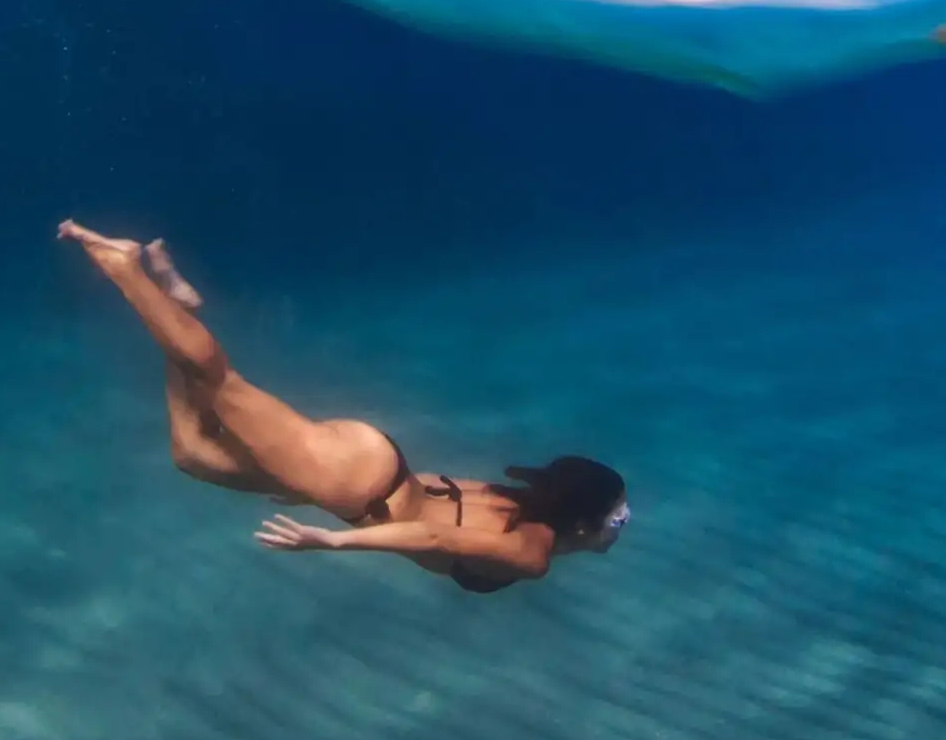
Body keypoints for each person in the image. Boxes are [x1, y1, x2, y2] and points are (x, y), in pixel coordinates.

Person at [57, 220, 628, 593]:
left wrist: (311, 484)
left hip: (369, 470)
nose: (623, 527)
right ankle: (125, 268)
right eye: (618, 519)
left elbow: (435, 497)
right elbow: (438, 539)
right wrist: (334, 539)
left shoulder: (521, 507)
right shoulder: (532, 552)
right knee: (221, 382)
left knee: (194, 454)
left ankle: (182, 306)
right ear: (582, 517)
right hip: (358, 486)